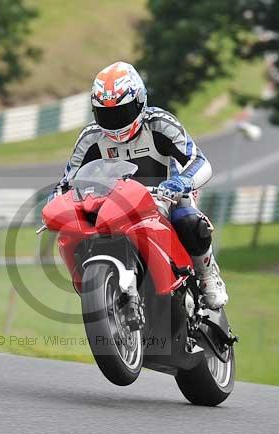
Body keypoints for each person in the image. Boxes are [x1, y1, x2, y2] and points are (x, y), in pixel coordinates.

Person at [52, 61, 227, 308]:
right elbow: (67, 183)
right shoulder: (90, 138)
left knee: (189, 221)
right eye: (106, 115)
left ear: (140, 102)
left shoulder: (161, 123)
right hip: (113, 204)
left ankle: (207, 275)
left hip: (165, 197)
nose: (115, 122)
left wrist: (181, 182)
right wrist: (56, 204)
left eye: (121, 112)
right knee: (76, 231)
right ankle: (98, 288)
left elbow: (199, 161)